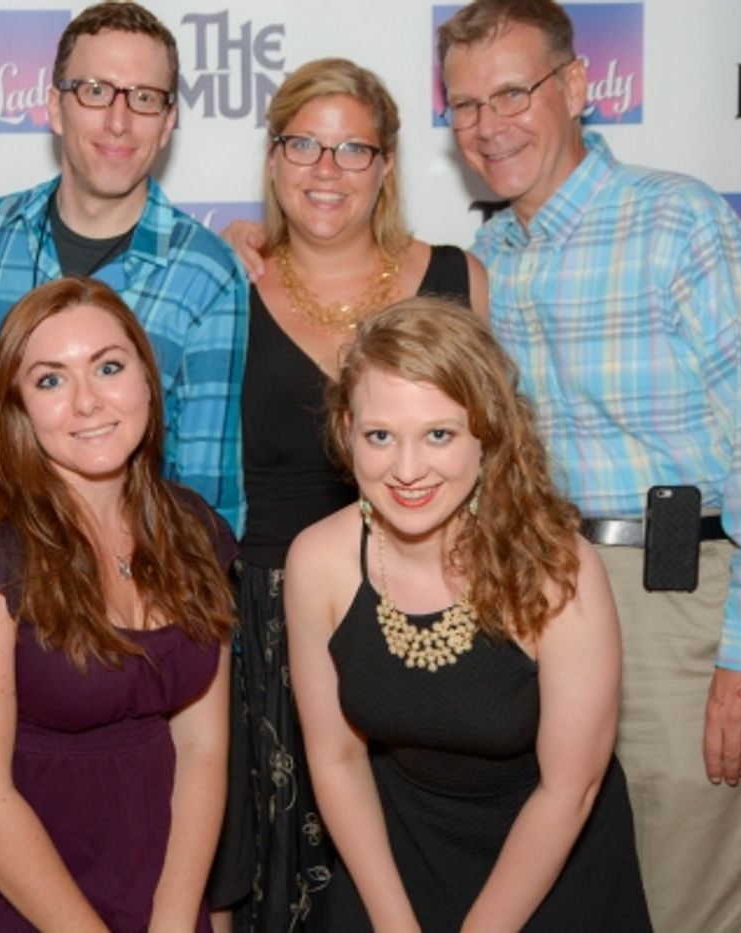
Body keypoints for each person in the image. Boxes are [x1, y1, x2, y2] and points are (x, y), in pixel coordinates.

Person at [437, 2, 741, 930]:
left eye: (514, 92)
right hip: (541, 606)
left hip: (676, 607)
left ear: (575, 87)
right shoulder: (491, 256)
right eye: (466, 105)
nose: (490, 125)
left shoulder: (679, 222)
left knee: (690, 900)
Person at [211, 57, 486, 932]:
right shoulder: (226, 282)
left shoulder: (457, 277)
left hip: (420, 602)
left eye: (353, 149)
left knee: (410, 861)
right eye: (304, 144)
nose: (325, 171)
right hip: (262, 619)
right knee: (279, 865)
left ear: (388, 165)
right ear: (274, 155)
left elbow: (494, 452)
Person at [285, 298, 651, 931]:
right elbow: (336, 760)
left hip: (550, 863)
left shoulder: (557, 568)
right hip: (392, 860)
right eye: (380, 435)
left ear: (488, 431)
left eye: (439, 434)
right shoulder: (318, 561)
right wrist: (395, 923)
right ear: (346, 428)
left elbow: (569, 790)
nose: (406, 470)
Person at [0, 277, 237, 931]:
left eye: (108, 367)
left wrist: (172, 917)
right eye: (51, 380)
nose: (88, 401)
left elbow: (203, 748)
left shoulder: (195, 531)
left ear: (145, 377)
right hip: (16, 897)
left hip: (154, 881)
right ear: (17, 405)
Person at [0, 1, 248, 533]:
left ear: (168, 123)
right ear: (55, 107)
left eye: (144, 98)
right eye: (95, 91)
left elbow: (205, 500)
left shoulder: (207, 273)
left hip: (134, 584)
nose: (118, 122)